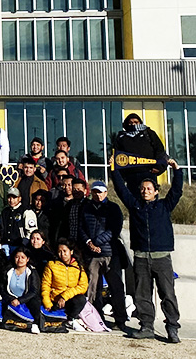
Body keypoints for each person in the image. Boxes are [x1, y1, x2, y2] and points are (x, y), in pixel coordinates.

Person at [111, 157, 182, 343]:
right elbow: (121, 190)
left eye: (149, 189)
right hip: (141, 257)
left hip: (162, 257)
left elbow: (176, 191)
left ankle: (172, 328)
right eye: (142, 189)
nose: (145, 191)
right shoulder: (135, 206)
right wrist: (114, 169)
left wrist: (177, 170)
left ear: (156, 192)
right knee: (142, 295)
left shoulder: (164, 206)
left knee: (167, 294)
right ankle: (146, 326)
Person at [78, 180, 127, 331]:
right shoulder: (85, 207)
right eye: (95, 192)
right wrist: (89, 243)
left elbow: (115, 229)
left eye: (100, 192)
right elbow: (81, 227)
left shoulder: (113, 208)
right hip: (91, 254)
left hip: (110, 253)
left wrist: (97, 242)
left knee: (116, 286)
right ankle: (95, 318)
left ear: (106, 192)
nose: (98, 195)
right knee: (93, 288)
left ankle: (120, 319)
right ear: (91, 192)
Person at [113, 113, 168, 195]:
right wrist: (122, 174)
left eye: (136, 122)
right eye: (130, 122)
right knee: (133, 203)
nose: (133, 124)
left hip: (148, 173)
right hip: (131, 176)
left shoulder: (149, 133)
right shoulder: (121, 137)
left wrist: (159, 168)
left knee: (150, 200)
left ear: (140, 122)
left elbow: (160, 151)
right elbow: (116, 156)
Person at [41, 238, 88, 324]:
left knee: (81, 299)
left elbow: (83, 286)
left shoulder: (78, 267)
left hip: (69, 299)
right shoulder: (51, 265)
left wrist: (64, 296)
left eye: (64, 251)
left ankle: (70, 319)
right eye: (59, 251)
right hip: (54, 299)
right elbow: (46, 285)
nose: (62, 254)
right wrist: (47, 302)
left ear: (71, 252)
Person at [0, 248, 43, 334]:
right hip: (11, 298)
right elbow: (3, 289)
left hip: (27, 299)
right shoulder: (8, 271)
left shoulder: (32, 272)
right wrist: (11, 299)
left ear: (27, 259)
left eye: (23, 257)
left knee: (35, 303)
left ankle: (34, 323)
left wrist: (20, 300)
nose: (20, 260)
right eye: (17, 257)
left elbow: (34, 291)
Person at [0, 188, 38, 254]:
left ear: (19, 198)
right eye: (9, 198)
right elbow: (2, 228)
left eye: (14, 198)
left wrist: (24, 243)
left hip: (20, 246)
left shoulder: (27, 211)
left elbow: (32, 231)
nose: (11, 200)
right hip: (6, 245)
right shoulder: (5, 211)